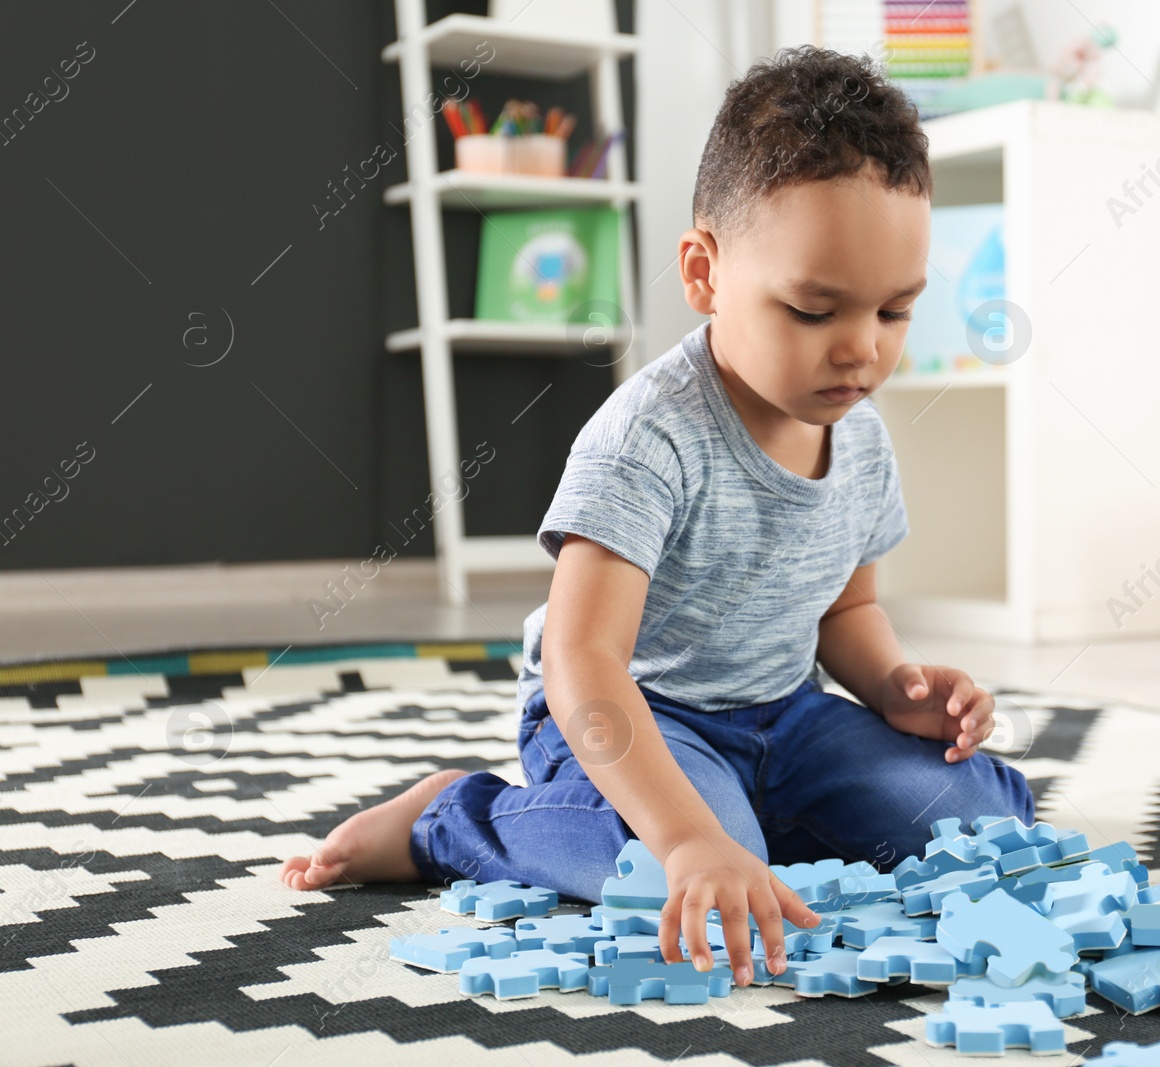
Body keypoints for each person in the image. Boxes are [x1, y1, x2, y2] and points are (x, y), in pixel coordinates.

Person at [281, 44, 1034, 991]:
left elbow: (845, 610)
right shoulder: (648, 436)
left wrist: (892, 685)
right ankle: (453, 817)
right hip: (629, 715)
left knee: (983, 824)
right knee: (655, 876)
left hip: (783, 715)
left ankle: (747, 828)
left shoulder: (863, 436)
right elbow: (582, 660)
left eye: (895, 310)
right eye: (813, 309)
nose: (860, 348)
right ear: (704, 273)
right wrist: (685, 837)